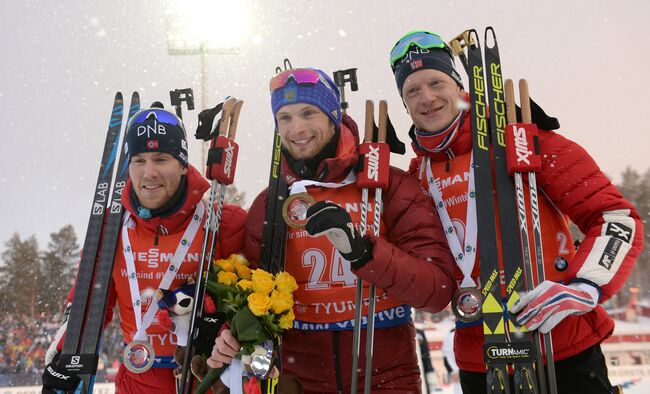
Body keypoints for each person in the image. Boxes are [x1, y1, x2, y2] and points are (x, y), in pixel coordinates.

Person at [387, 30, 645, 393]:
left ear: (458, 85)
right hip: (481, 355)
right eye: (412, 90)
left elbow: (615, 218)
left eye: (435, 82)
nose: (426, 98)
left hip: (561, 346)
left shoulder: (524, 140)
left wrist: (586, 284)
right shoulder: (416, 178)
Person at [207, 67, 457, 393]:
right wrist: (229, 332)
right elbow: (253, 298)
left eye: (308, 113)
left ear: (333, 116)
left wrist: (365, 252)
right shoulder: (271, 203)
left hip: (385, 378)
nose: (297, 128)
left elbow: (436, 290)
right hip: (299, 380)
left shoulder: (391, 187)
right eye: (285, 117)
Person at [41, 104, 247, 394]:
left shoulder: (225, 222)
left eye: (161, 159)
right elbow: (89, 304)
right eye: (139, 160)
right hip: (136, 381)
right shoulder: (112, 229)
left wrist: (220, 323)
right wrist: (62, 358)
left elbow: (251, 308)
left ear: (183, 164)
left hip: (206, 381)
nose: (149, 172)